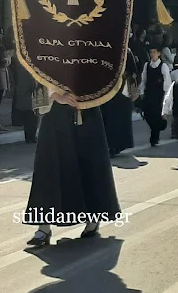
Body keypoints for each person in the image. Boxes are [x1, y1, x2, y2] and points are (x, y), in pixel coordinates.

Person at [25, 86, 121, 245]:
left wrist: (89, 94)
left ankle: (93, 217)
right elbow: (40, 70)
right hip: (56, 111)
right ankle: (44, 227)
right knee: (49, 165)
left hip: (87, 107)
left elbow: (103, 73)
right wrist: (57, 95)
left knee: (90, 163)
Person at [101, 48, 138, 157]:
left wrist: (133, 91)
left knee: (120, 119)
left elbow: (133, 72)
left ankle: (117, 146)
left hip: (122, 89)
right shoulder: (105, 48)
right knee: (108, 118)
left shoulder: (126, 51)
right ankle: (109, 145)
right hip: (107, 89)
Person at [139, 45, 172, 146]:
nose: (152, 54)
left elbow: (167, 82)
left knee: (156, 115)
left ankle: (154, 137)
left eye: (154, 52)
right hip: (149, 94)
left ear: (159, 54)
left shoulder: (163, 66)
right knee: (148, 115)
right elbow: (143, 79)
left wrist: (167, 96)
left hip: (159, 95)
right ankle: (159, 126)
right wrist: (141, 92)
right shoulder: (146, 65)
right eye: (151, 52)